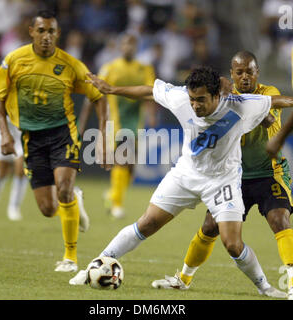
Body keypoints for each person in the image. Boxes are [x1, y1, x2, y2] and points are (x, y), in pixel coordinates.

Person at [69, 66, 293, 299]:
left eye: (201, 100)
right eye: (192, 99)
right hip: (186, 175)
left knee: (233, 244)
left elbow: (278, 101)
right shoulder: (181, 98)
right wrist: (112, 89)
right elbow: (149, 91)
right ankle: (92, 268)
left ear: (217, 96)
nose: (195, 106)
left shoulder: (241, 104)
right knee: (146, 224)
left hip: (222, 181)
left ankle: (264, 287)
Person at [151, 51, 293, 300]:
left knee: (279, 219)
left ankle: (292, 285)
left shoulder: (266, 92)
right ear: (231, 74)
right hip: (234, 177)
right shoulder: (223, 99)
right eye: (239, 72)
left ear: (257, 72)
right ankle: (183, 279)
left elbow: (271, 111)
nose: (245, 76)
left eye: (250, 71)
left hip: (269, 173)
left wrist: (264, 113)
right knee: (209, 227)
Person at [0, 10, 110, 273]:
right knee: (47, 208)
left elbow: (99, 97)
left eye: (52, 31)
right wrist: (5, 133)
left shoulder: (70, 65)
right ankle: (75, 203)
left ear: (58, 34)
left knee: (63, 189)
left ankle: (70, 258)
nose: (46, 36)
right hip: (31, 138)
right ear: (31, 31)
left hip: (62, 135)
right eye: (41, 31)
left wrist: (102, 137)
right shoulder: (14, 60)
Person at [78, 34, 157, 219]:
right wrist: (82, 122)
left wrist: (152, 115)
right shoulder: (110, 68)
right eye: (125, 44)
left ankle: (113, 194)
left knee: (131, 167)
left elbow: (152, 92)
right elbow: (92, 93)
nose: (128, 48)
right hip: (117, 121)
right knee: (122, 159)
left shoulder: (144, 69)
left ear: (136, 47)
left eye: (131, 44)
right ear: (120, 47)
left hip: (136, 121)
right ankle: (117, 205)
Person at [0, 80, 28, 221]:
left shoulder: (34, 79)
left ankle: (14, 207)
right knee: (3, 169)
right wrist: (4, 122)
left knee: (21, 169)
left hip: (22, 132)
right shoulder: (1, 80)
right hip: (2, 130)